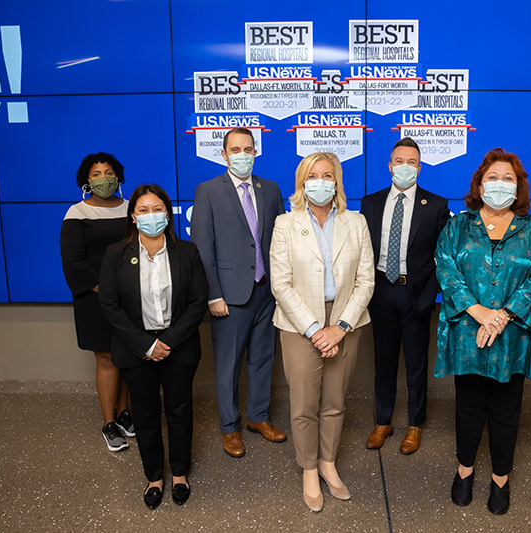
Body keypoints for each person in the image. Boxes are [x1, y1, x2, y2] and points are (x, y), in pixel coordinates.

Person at [435, 148, 531, 515]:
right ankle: (464, 471)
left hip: (511, 337)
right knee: (468, 407)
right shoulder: (458, 226)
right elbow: (445, 268)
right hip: (468, 334)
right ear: (479, 184)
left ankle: (501, 479)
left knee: (505, 409)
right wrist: (480, 312)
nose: (499, 185)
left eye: (508, 179)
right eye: (492, 178)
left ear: (518, 187)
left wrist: (501, 316)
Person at [270, 152, 375, 512]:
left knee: (334, 401)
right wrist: (316, 330)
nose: (320, 181)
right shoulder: (285, 223)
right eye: (313, 175)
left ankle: (329, 463)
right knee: (304, 405)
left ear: (337, 181)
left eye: (327, 174)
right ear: (302, 182)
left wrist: (340, 327)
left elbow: (366, 280)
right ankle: (309, 469)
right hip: (301, 324)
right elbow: (280, 285)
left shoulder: (355, 222)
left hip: (346, 322)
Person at [99, 184, 209, 509]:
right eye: (144, 210)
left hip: (179, 347)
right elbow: (109, 304)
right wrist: (147, 345)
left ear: (168, 213)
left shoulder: (187, 252)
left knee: (179, 410)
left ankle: (178, 473)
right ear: (133, 216)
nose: (151, 215)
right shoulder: (116, 255)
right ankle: (154, 477)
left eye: (157, 209)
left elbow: (197, 301)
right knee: (145, 414)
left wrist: (167, 341)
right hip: (136, 350)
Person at [190, 127, 287, 458]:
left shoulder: (270, 188)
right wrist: (213, 295)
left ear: (255, 152)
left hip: (266, 290)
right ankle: (229, 427)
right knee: (228, 365)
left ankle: (258, 418)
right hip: (229, 296)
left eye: (248, 149)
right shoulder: (208, 191)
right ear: (224, 154)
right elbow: (203, 247)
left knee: (263, 359)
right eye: (236, 149)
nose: (242, 155)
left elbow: (280, 240)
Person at [360, 137, 450, 454]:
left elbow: (444, 256)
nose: (405, 167)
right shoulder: (370, 203)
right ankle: (383, 421)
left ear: (419, 167)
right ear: (390, 165)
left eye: (412, 162)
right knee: (383, 361)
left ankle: (414, 424)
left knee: (416, 363)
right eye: (399, 161)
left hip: (416, 294)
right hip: (381, 292)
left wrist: (429, 296)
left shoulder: (436, 205)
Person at [60, 152, 134, 453]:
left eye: (109, 172)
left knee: (128, 356)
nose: (104, 178)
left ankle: (126, 413)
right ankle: (109, 423)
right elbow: (73, 262)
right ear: (86, 181)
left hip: (130, 297)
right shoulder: (77, 213)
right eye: (96, 174)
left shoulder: (132, 209)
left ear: (118, 176)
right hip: (95, 299)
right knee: (106, 358)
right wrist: (104, 288)